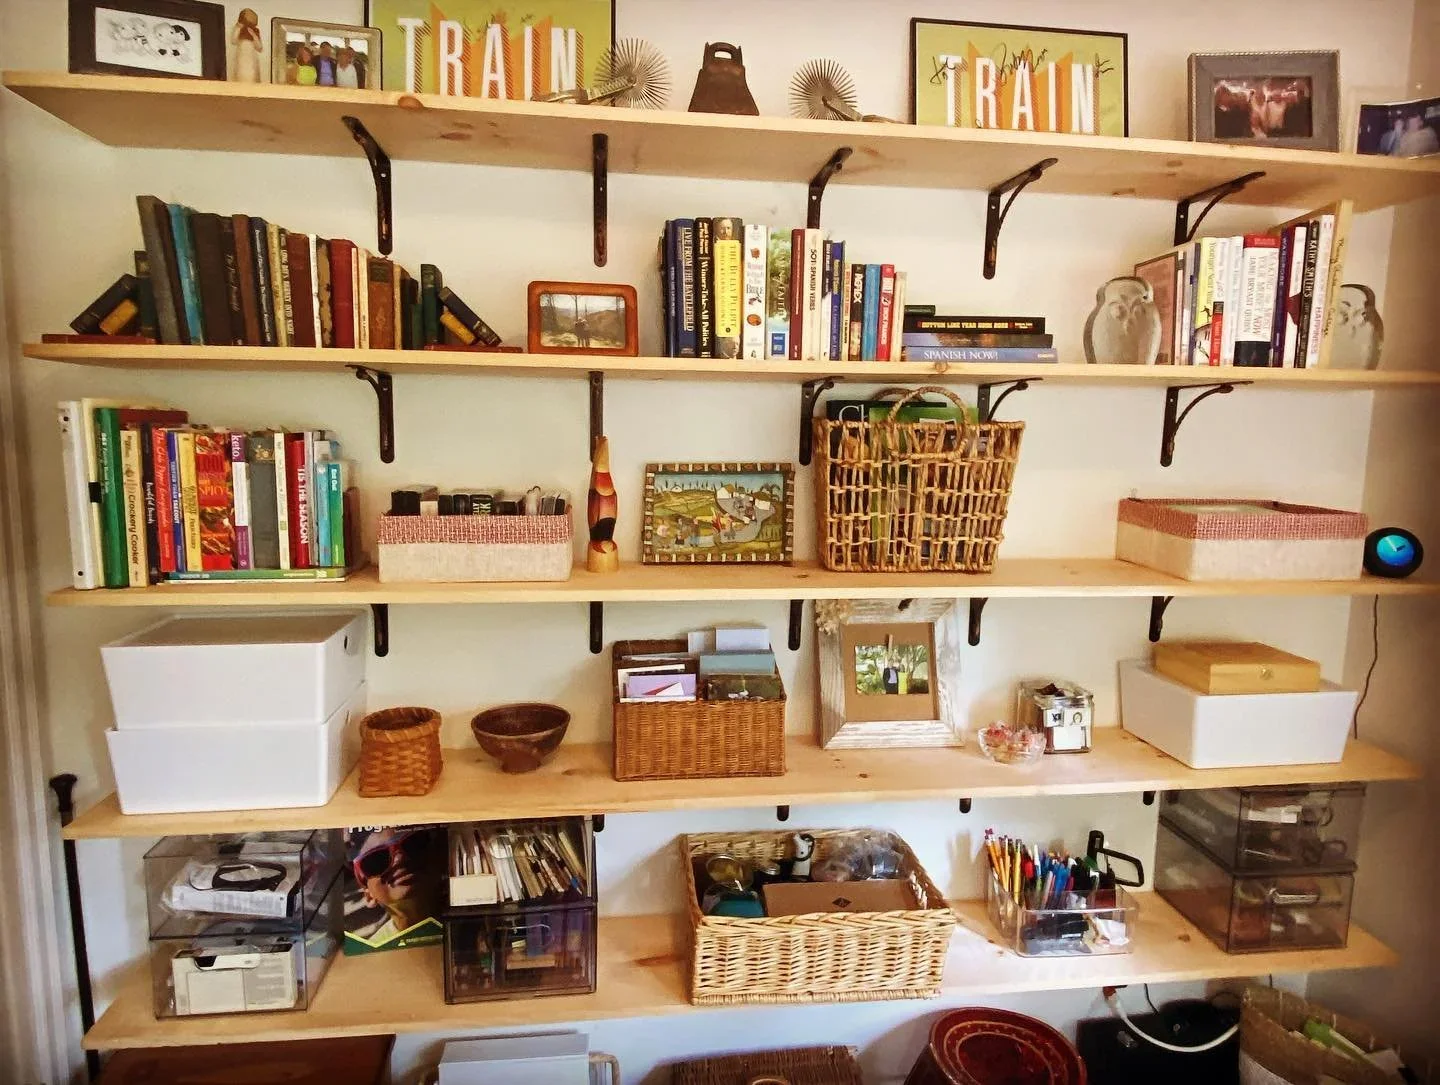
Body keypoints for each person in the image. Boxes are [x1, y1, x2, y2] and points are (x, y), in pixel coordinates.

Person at [350, 828, 442, 942]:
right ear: (369, 896)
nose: (399, 859)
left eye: (414, 844)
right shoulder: (372, 953)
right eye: (377, 859)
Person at [228, 9, 263, 83]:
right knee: (241, 73)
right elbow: (233, 40)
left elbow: (259, 47)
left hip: (251, 56)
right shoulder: (239, 28)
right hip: (241, 54)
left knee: (252, 74)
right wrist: (238, 28)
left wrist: (253, 35)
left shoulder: (255, 30)